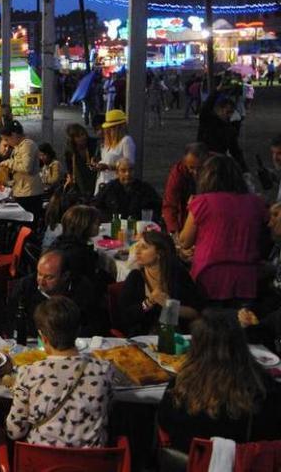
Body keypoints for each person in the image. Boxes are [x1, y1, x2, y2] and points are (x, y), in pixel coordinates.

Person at [158, 310, 281, 452]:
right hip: (243, 463)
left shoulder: (181, 385)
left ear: (196, 346)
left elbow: (165, 422)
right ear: (241, 344)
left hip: (190, 461)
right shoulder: (264, 388)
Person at [7, 297, 115, 447]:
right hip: (91, 463)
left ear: (43, 338)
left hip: (39, 463)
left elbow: (14, 432)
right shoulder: (104, 370)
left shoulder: (28, 373)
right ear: (78, 331)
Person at [179, 155, 266, 304]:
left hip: (210, 276)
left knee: (210, 324)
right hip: (247, 278)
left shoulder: (202, 202)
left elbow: (185, 241)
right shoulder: (256, 203)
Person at [116, 231, 202, 336]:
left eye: (144, 247)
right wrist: (148, 302)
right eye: (137, 246)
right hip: (143, 337)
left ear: (159, 253)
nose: (137, 251)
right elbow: (124, 317)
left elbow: (195, 312)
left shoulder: (178, 275)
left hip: (174, 337)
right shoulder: (136, 277)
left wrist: (169, 305)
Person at [7, 250, 104, 338]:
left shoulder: (83, 289)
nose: (41, 282)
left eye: (49, 277)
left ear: (65, 276)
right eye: (39, 274)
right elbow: (10, 321)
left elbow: (94, 326)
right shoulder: (25, 287)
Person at [0, 120, 44, 222]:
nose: (7, 143)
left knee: (29, 222)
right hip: (21, 190)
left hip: (30, 192)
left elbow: (26, 167)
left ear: (14, 135)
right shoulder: (18, 147)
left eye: (7, 139)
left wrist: (9, 163)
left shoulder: (27, 145)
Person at [49, 205, 107, 282]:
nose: (99, 225)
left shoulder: (60, 241)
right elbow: (90, 278)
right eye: (96, 223)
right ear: (85, 226)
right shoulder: (79, 252)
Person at [93, 158, 162, 222]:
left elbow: (158, 206)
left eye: (131, 170)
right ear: (117, 173)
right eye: (123, 171)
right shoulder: (109, 188)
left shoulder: (145, 188)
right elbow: (95, 205)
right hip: (114, 226)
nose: (128, 174)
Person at [162, 143, 206, 234]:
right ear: (185, 161)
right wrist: (174, 232)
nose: (196, 173)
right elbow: (169, 205)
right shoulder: (177, 174)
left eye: (200, 168)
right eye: (191, 168)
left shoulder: (216, 169)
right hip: (186, 220)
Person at [197, 94, 246, 170]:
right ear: (219, 110)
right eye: (228, 112)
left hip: (218, 164)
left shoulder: (230, 129)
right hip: (203, 162)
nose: (229, 115)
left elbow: (235, 151)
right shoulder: (208, 121)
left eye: (232, 112)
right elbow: (205, 109)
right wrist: (216, 92)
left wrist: (245, 170)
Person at [93, 109, 136, 194]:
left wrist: (108, 167)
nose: (107, 131)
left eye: (111, 128)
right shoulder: (107, 142)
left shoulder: (126, 141)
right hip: (102, 182)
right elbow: (105, 160)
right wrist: (97, 164)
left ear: (119, 128)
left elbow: (129, 165)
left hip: (116, 186)